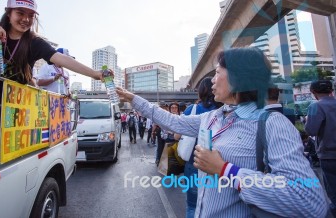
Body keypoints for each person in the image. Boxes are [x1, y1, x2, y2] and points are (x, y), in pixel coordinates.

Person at [116, 47, 327, 217]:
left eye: (217, 73)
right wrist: (133, 98)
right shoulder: (213, 117)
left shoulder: (272, 123)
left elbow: (308, 199)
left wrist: (226, 170)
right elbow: (173, 122)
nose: (212, 81)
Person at [0, 0, 103, 158]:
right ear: (8, 12)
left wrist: (94, 74)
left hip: (10, 111)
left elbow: (61, 59)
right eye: (20, 13)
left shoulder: (34, 42)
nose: (26, 19)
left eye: (30, 15)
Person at [181, 77, 222, 218]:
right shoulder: (222, 109)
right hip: (220, 164)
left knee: (192, 205)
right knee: (216, 204)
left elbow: (176, 135)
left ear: (201, 92)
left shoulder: (192, 109)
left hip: (194, 162)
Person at [305, 79, 336, 217]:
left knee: (334, 193)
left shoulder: (315, 107)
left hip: (329, 156)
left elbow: (311, 130)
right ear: (331, 91)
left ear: (313, 92)